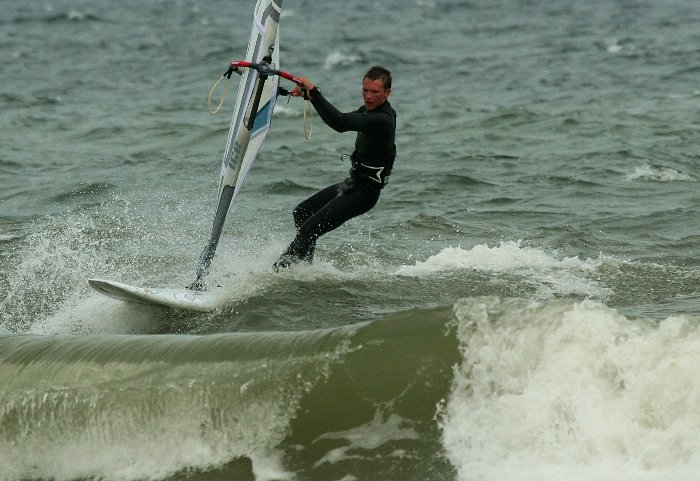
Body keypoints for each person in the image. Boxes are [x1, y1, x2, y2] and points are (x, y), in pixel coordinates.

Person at [273, 65, 397, 271]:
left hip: (365, 193)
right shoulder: (369, 111)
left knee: (308, 230)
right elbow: (340, 117)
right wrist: (312, 97)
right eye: (365, 90)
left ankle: (277, 273)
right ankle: (304, 270)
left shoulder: (383, 119)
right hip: (353, 183)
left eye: (374, 92)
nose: (368, 96)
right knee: (302, 212)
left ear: (387, 93)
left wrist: (315, 93)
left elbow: (340, 123)